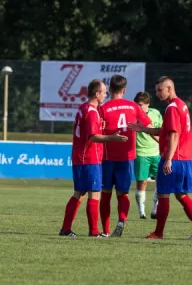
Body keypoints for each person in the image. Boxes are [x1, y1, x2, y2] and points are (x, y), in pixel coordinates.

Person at [129, 76, 192, 240]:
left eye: (160, 90)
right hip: (184, 158)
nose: (157, 94)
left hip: (174, 158)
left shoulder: (171, 108)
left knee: (163, 194)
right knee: (181, 195)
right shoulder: (182, 105)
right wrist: (142, 128)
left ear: (169, 89)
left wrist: (169, 159)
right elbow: (164, 131)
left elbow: (173, 135)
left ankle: (158, 233)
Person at [59, 79, 127, 238]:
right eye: (104, 92)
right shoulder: (91, 112)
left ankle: (66, 229)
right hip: (89, 158)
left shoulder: (83, 108)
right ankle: (94, 231)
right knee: (94, 193)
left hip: (82, 157)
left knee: (80, 193)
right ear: (97, 94)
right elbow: (93, 137)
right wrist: (112, 138)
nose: (106, 94)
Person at [99, 75, 152, 237]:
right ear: (124, 90)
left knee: (106, 193)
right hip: (127, 157)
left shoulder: (103, 108)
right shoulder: (134, 107)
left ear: (109, 90)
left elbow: (97, 130)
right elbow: (147, 124)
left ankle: (106, 230)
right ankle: (121, 220)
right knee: (123, 193)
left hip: (108, 157)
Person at [132, 91, 162, 220]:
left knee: (161, 182)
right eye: (136, 105)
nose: (138, 107)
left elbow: (162, 129)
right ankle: (142, 212)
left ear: (148, 104)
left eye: (140, 105)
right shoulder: (132, 115)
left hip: (156, 153)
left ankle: (155, 210)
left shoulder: (156, 114)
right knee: (142, 182)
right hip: (141, 153)